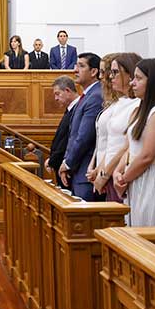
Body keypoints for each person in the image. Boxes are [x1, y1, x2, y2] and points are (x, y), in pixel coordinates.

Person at [113, 58, 155, 233]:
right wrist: (117, 172)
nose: (132, 83)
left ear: (154, 81)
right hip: (137, 176)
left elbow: (147, 156)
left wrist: (124, 178)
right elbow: (131, 147)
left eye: (138, 78)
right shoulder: (142, 109)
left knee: (151, 235)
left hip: (152, 179)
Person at [89, 52, 142, 203]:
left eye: (115, 72)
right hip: (110, 172)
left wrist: (105, 174)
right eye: (110, 72)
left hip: (121, 174)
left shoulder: (137, 104)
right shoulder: (121, 102)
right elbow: (111, 142)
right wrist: (100, 169)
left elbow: (125, 146)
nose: (110, 77)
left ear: (130, 74)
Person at [60, 52, 104, 200]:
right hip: (79, 171)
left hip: (87, 173)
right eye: (75, 65)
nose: (75, 70)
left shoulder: (96, 96)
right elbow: (73, 135)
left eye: (81, 66)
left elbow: (84, 137)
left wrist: (67, 163)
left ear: (94, 71)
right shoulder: (87, 96)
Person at [45, 75, 80, 188]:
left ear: (67, 91)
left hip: (70, 170)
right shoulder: (70, 110)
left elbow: (68, 139)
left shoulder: (78, 109)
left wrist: (53, 161)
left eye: (57, 94)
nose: (55, 98)